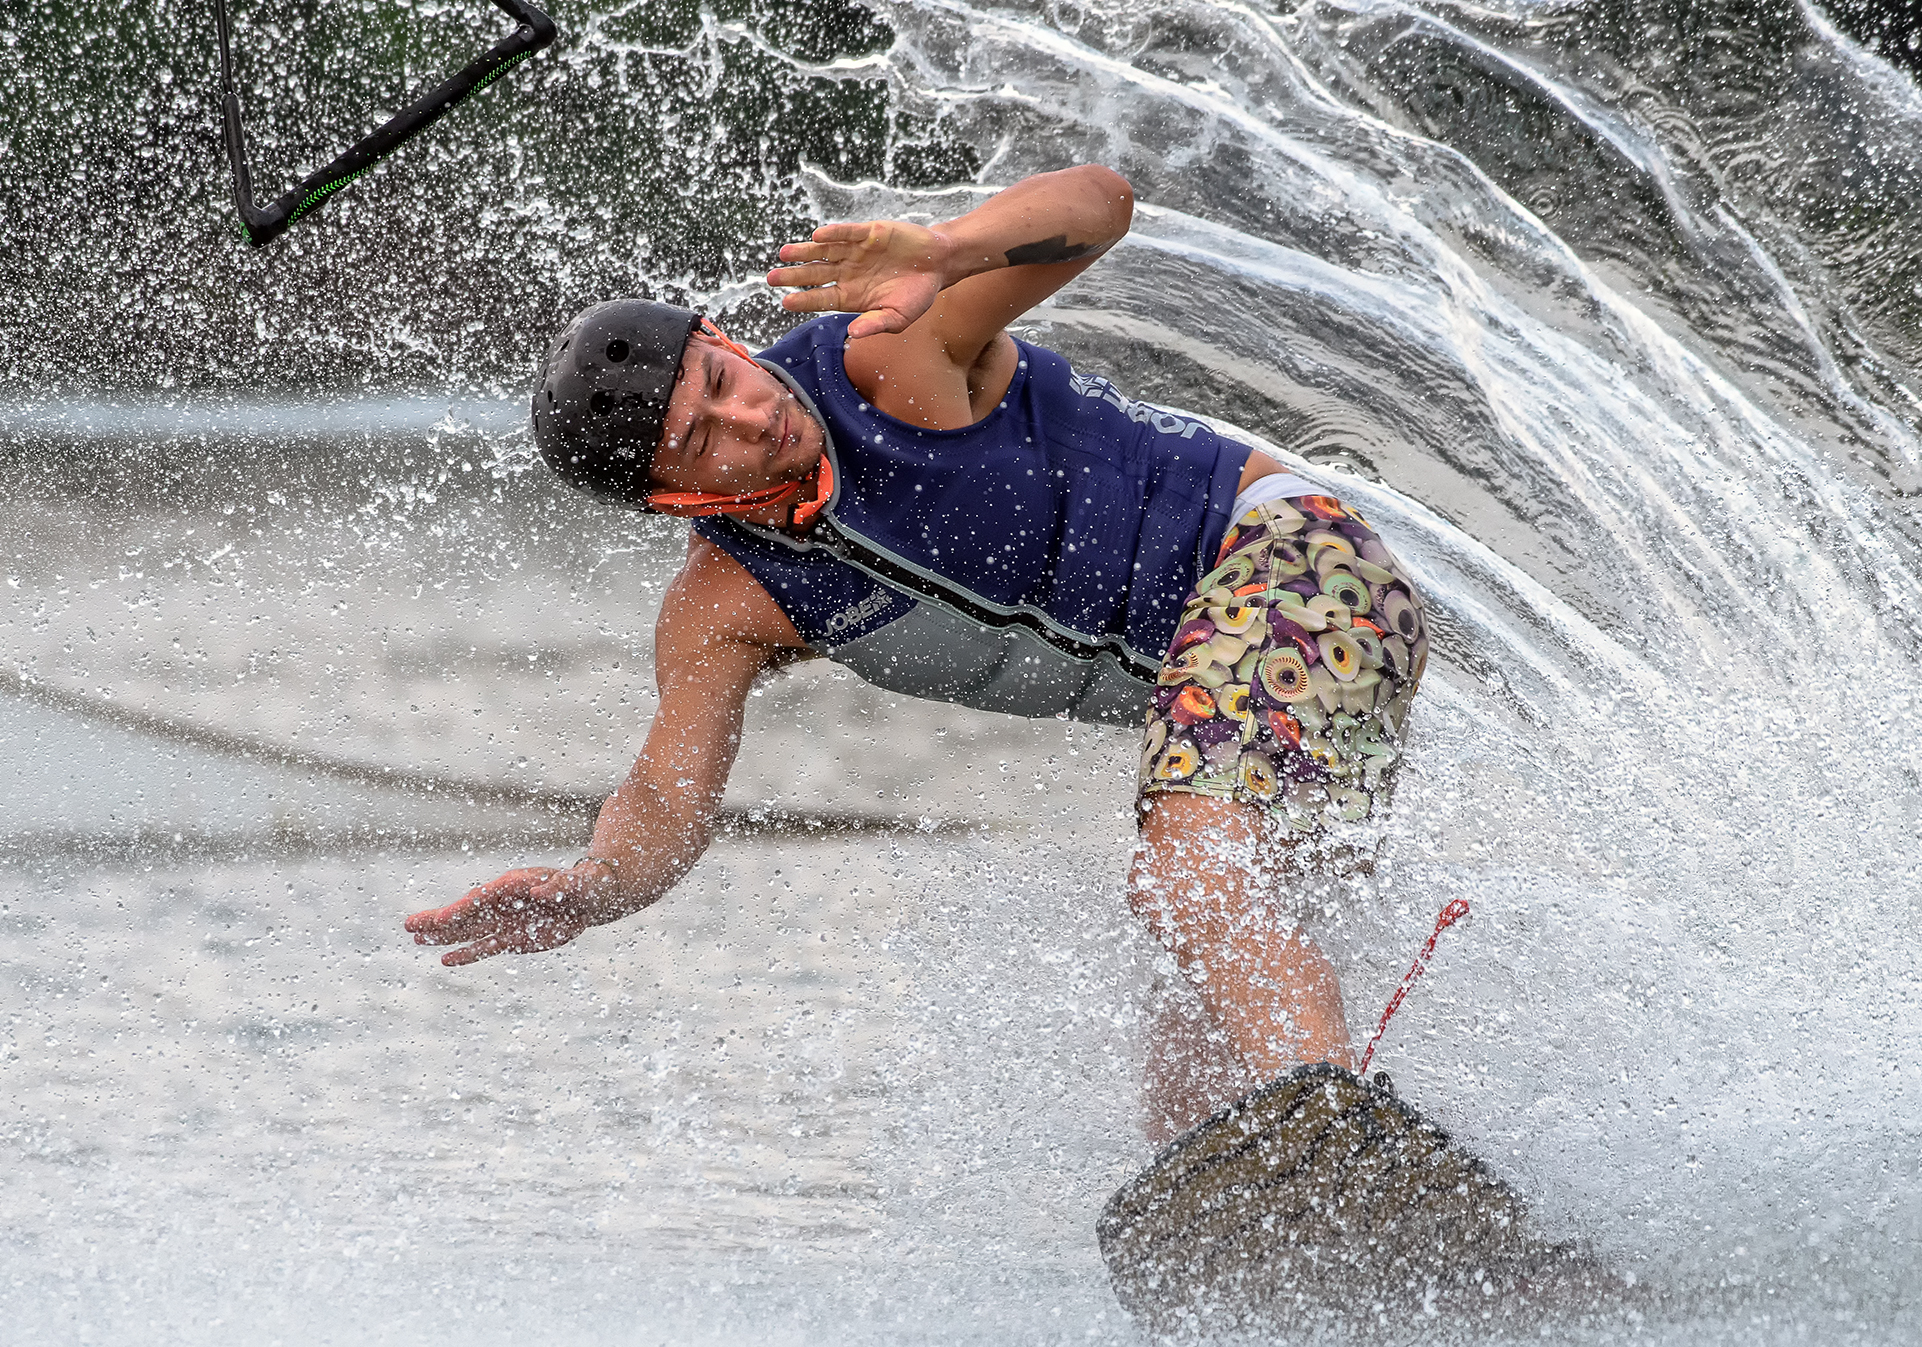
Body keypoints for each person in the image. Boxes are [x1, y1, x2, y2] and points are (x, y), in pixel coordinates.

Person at [405, 164, 1429, 1144]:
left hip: (1296, 559)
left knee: (1192, 880)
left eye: (725, 377)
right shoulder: (726, 602)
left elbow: (1100, 203)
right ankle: (1274, 1231)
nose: (751, 418)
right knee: (1192, 999)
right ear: (676, 499)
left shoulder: (883, 358)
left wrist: (948, 249)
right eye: (703, 438)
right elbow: (666, 801)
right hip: (1232, 681)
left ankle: (1336, 1142)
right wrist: (592, 888)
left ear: (721, 337)